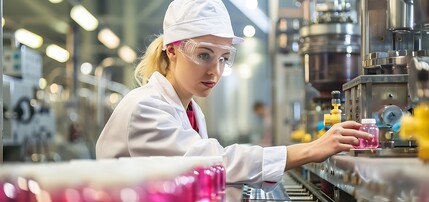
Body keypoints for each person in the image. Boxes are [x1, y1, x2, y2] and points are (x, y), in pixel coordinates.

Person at [96, 0, 372, 187]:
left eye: (223, 58)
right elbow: (209, 164)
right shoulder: (146, 107)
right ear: (172, 50)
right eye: (204, 55)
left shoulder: (188, 108)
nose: (214, 71)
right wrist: (309, 150)